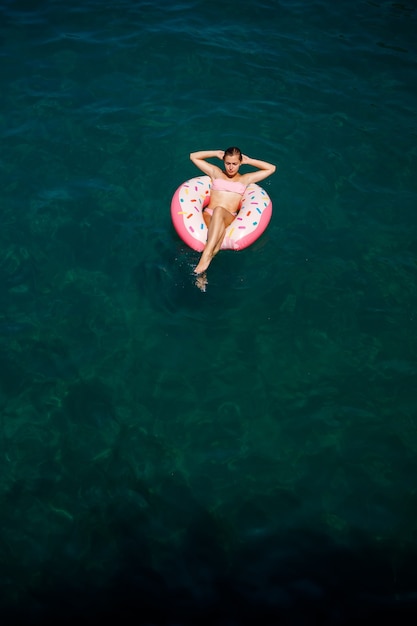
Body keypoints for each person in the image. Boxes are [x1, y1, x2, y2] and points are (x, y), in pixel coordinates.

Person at [190, 147, 276, 277]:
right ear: (223, 161)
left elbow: (271, 168)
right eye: (228, 163)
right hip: (208, 214)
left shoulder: (245, 179)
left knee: (219, 211)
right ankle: (204, 270)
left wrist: (250, 161)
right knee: (218, 227)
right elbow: (193, 156)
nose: (231, 167)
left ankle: (206, 254)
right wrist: (215, 153)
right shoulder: (216, 173)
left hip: (228, 216)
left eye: (235, 164)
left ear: (240, 163)